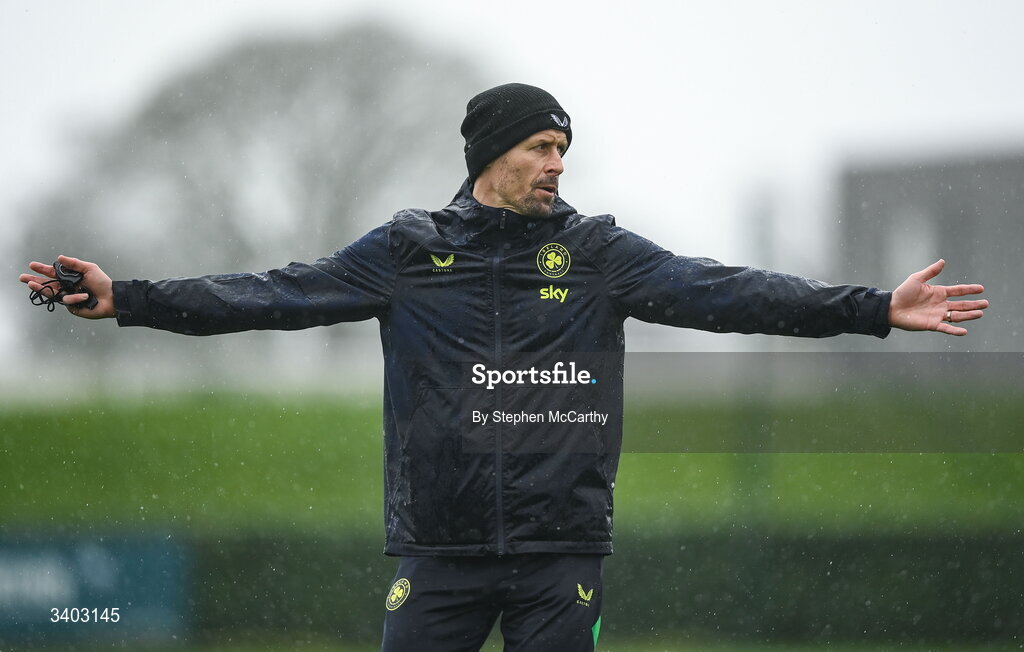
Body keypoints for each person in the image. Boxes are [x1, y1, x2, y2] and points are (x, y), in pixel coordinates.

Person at [20, 83, 988, 651]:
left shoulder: (601, 255)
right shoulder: (405, 252)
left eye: (564, 147)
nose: (558, 164)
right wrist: (129, 299)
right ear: (491, 156)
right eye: (540, 146)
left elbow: (727, 291)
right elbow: (270, 293)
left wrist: (872, 310)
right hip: (436, 556)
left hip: (557, 556)